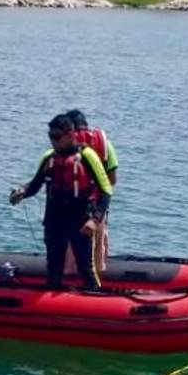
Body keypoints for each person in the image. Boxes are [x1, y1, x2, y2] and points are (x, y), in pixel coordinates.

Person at [9, 114, 112, 291]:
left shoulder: (87, 156)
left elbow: (106, 191)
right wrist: (22, 193)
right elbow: (35, 185)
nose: (53, 141)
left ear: (70, 134)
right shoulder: (49, 157)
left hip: (79, 221)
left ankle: (95, 298)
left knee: (85, 267)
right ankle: (53, 300)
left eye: (57, 137)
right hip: (54, 220)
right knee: (54, 267)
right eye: (50, 136)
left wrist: (94, 220)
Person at [64, 109, 118, 273]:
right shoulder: (104, 142)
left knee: (70, 253)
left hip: (71, 208)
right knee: (98, 249)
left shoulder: (66, 144)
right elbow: (112, 179)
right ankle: (98, 287)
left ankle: (69, 288)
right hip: (98, 208)